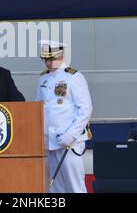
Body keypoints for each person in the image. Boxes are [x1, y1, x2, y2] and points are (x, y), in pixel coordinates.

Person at [35, 40, 93, 193]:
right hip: (50, 140)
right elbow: (38, 108)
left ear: (61, 56)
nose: (48, 62)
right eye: (45, 59)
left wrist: (71, 134)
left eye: (51, 58)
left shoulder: (73, 76)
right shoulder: (43, 78)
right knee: (56, 188)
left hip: (69, 141)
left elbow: (85, 109)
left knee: (75, 187)